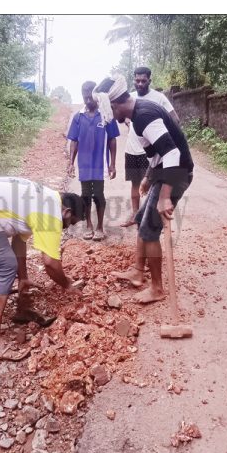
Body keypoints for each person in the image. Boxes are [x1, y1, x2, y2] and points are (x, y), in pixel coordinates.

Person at [0, 176, 84, 361]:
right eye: (70, 223)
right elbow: (50, 263)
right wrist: (67, 285)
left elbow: (19, 241)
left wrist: (23, 277)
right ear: (67, 212)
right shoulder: (51, 214)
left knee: (4, 261)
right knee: (4, 266)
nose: (66, 228)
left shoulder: (47, 198)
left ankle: (5, 299)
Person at [93, 75, 194, 304]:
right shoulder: (138, 115)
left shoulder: (144, 116)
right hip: (163, 171)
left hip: (177, 173)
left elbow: (172, 154)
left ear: (116, 104)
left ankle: (157, 288)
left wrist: (165, 196)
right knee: (141, 219)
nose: (112, 117)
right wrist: (148, 177)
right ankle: (138, 272)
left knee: (149, 230)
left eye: (110, 110)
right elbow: (159, 152)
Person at [120, 66, 181, 227]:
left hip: (153, 153)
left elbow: (175, 119)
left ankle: (150, 218)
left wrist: (164, 138)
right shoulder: (130, 98)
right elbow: (124, 116)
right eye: (137, 80)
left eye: (143, 81)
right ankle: (135, 215)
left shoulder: (159, 97)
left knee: (153, 185)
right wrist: (128, 121)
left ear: (149, 80)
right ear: (133, 80)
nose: (139, 84)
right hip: (132, 148)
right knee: (135, 184)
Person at [67, 81, 120, 241]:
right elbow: (74, 141)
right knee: (85, 195)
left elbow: (112, 140)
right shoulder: (78, 116)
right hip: (84, 163)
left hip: (100, 163)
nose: (88, 101)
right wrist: (70, 162)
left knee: (98, 194)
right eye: (85, 98)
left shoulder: (105, 115)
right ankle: (89, 225)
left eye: (90, 98)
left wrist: (112, 164)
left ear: (96, 96)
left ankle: (100, 227)